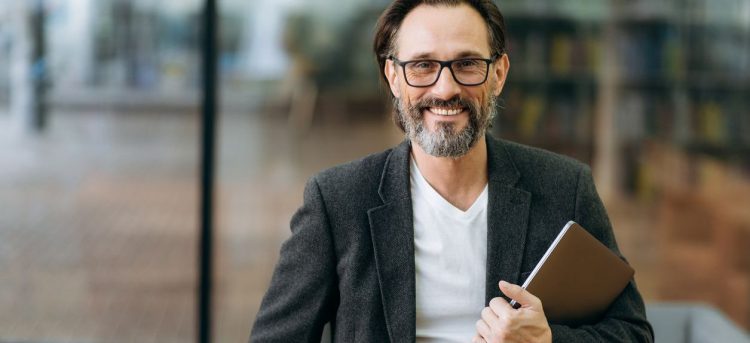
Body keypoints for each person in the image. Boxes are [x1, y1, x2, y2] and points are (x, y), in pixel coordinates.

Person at [250, 0, 654, 342]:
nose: (445, 89)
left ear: (498, 74)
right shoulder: (336, 201)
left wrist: (548, 340)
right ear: (393, 76)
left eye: (467, 63)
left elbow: (633, 332)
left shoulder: (566, 187)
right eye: (423, 66)